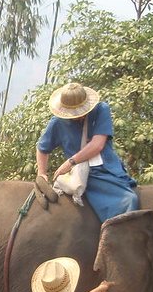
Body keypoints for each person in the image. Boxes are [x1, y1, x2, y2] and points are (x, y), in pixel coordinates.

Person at [36, 82, 138, 223]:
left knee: (130, 199)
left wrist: (71, 161)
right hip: (81, 174)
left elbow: (97, 144)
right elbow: (42, 148)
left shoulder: (101, 110)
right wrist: (42, 173)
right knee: (128, 201)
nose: (78, 116)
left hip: (106, 170)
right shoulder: (58, 122)